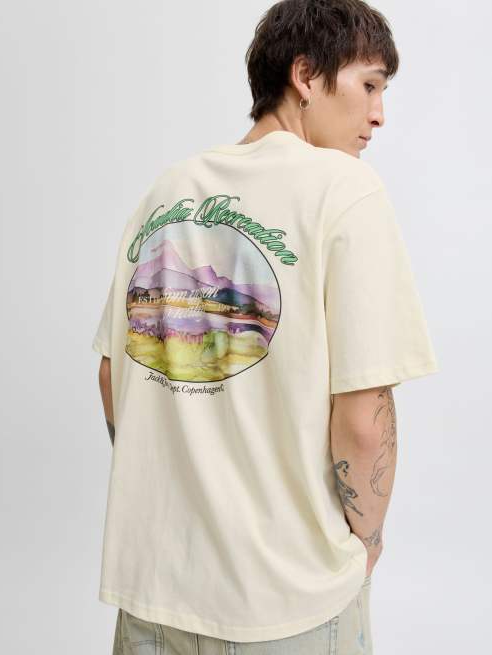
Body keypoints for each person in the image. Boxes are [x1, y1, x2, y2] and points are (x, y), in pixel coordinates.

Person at [92, 1, 439, 653]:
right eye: (369, 85)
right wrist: (365, 544)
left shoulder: (167, 191)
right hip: (285, 602)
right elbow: (364, 414)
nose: (378, 115)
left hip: (153, 596)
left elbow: (115, 374)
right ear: (305, 75)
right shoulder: (345, 189)